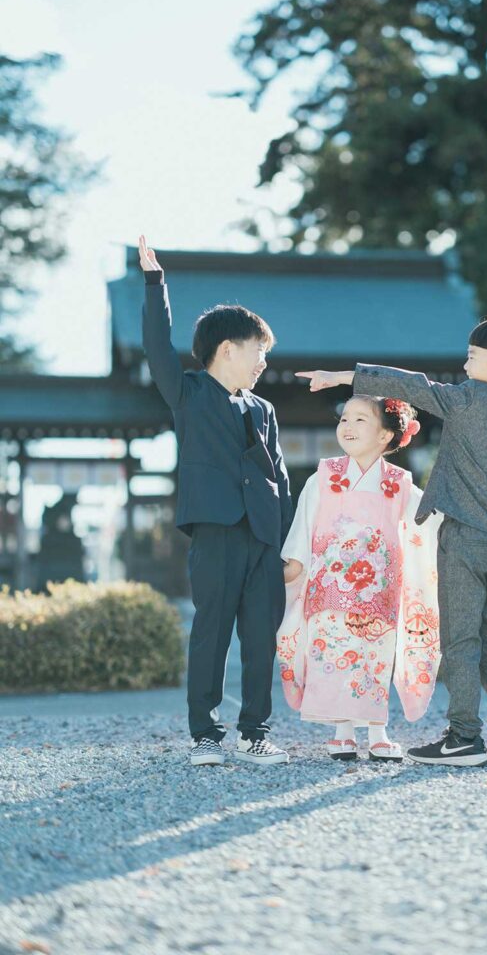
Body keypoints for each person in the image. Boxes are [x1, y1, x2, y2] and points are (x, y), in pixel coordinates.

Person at [296, 315, 487, 767]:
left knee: (460, 643)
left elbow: (416, 387)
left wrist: (345, 377)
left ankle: (463, 737)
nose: (465, 363)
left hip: (464, 540)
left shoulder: (470, 399)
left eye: (474, 356)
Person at [139, 235, 292, 767]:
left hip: (264, 537)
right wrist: (156, 284)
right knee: (211, 634)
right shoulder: (188, 394)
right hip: (214, 530)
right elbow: (157, 345)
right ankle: (205, 733)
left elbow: (279, 477)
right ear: (228, 348)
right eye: (259, 352)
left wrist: (288, 542)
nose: (263, 363)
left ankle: (256, 732)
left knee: (259, 638)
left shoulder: (265, 409)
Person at [277, 395, 440, 762]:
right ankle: (343, 732)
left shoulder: (399, 483)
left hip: (378, 589)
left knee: (374, 659)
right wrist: (295, 567)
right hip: (330, 587)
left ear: (385, 435)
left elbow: (427, 520)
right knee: (332, 658)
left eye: (360, 420)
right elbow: (304, 525)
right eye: (344, 419)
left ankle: (378, 731)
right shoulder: (325, 475)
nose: (347, 427)